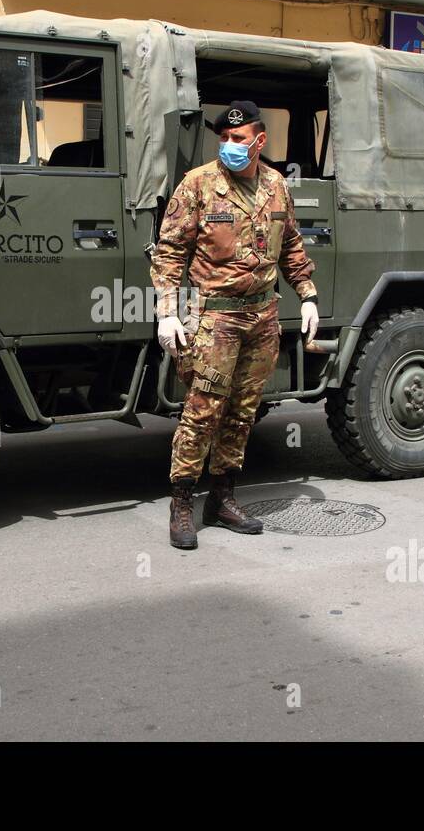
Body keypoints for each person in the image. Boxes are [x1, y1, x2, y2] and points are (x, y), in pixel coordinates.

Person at [151, 100, 319, 550]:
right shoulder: (199, 185)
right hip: (216, 317)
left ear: (259, 142)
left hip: (262, 316)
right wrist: (168, 311)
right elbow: (169, 252)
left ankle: (222, 499)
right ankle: (182, 503)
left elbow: (292, 247)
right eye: (223, 138)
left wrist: (307, 295)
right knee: (203, 411)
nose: (228, 145)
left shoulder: (277, 186)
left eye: (238, 139)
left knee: (243, 412)